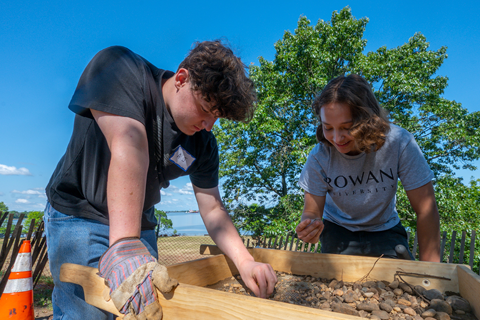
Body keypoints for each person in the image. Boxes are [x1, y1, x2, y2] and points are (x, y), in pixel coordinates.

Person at [44, 41, 277, 320]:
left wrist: (246, 262)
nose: (208, 125)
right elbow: (130, 146)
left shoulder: (202, 144)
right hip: (80, 213)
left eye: (217, 117)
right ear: (181, 79)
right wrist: (125, 246)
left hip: (139, 220)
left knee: (145, 310)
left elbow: (213, 209)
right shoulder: (119, 68)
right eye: (205, 109)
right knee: (87, 313)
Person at [295, 74, 440, 262]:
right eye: (328, 127)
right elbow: (312, 212)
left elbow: (426, 209)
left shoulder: (399, 143)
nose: (337, 138)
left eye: (347, 127)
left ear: (368, 120)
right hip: (337, 231)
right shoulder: (319, 156)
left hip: (385, 229)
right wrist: (310, 227)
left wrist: (431, 271)